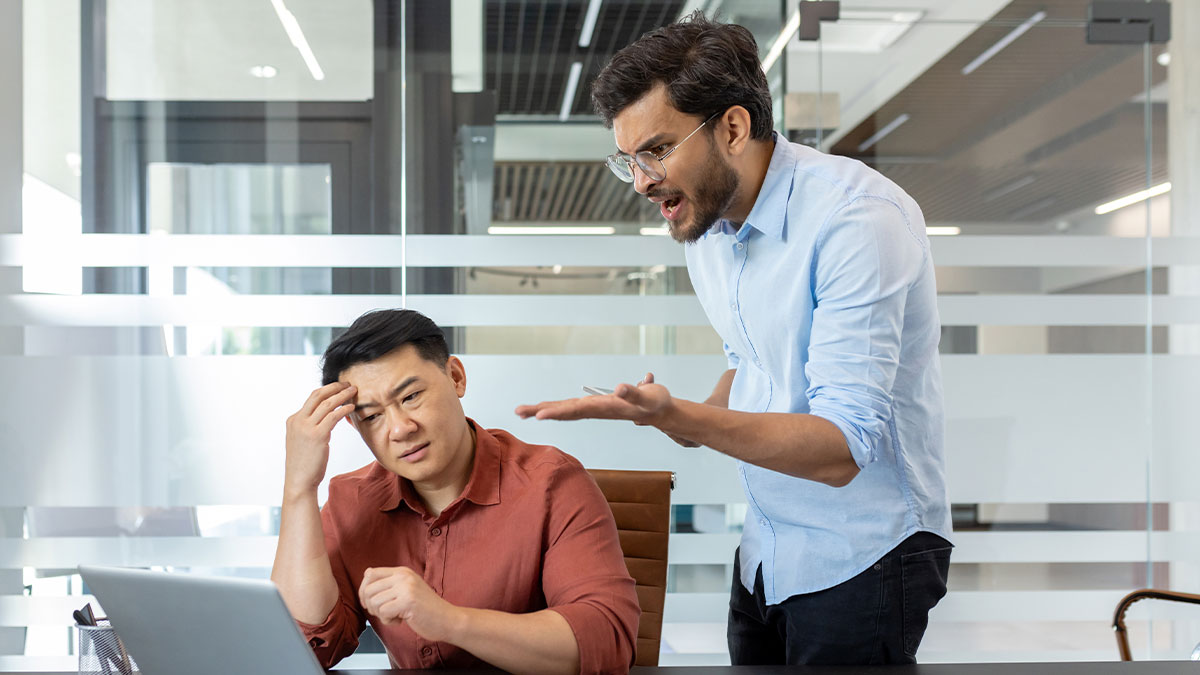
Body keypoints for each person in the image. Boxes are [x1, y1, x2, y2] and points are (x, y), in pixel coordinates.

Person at [516, 11, 952, 666]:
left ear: (733, 127)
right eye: (627, 159)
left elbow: (841, 448)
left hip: (863, 554)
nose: (640, 181)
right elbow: (750, 367)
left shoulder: (857, 221)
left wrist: (688, 415)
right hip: (767, 553)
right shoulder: (709, 227)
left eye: (656, 150)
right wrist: (676, 419)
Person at [272, 308, 639, 674]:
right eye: (371, 417)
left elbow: (606, 642)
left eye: (411, 396)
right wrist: (299, 489)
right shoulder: (351, 502)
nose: (400, 429)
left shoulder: (552, 483)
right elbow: (303, 648)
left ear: (456, 377)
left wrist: (449, 622)